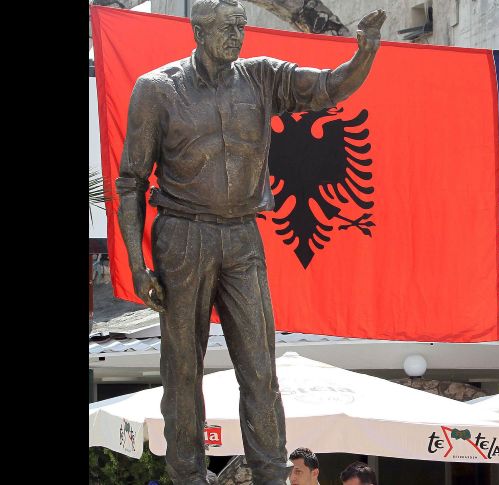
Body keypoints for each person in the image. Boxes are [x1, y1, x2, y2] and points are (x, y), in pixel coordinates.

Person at [115, 1, 386, 483]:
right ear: (198, 31)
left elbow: (326, 88)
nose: (237, 36)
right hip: (181, 235)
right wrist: (138, 266)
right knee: (182, 369)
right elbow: (131, 183)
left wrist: (364, 51)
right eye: (227, 27)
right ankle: (187, 475)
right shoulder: (156, 89)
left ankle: (270, 472)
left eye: (241, 27)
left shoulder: (262, 77)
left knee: (260, 366)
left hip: (242, 235)